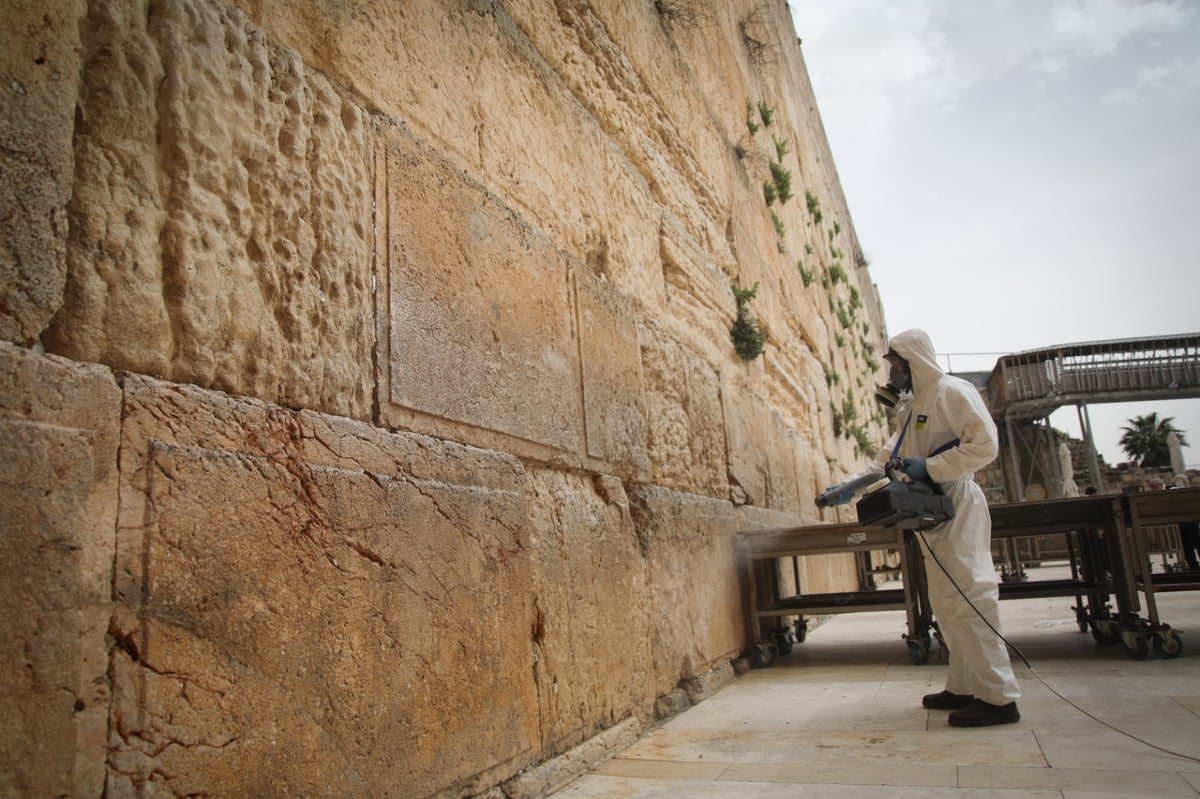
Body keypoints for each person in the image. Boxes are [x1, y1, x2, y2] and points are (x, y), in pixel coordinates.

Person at [826, 328, 1021, 726]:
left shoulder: (954, 391)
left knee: (971, 596)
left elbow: (985, 446)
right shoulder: (915, 408)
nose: (894, 374)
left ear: (914, 361)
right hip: (931, 508)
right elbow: (889, 458)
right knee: (947, 604)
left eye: (897, 365)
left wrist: (931, 467)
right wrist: (851, 486)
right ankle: (965, 684)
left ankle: (999, 697)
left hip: (957, 500)